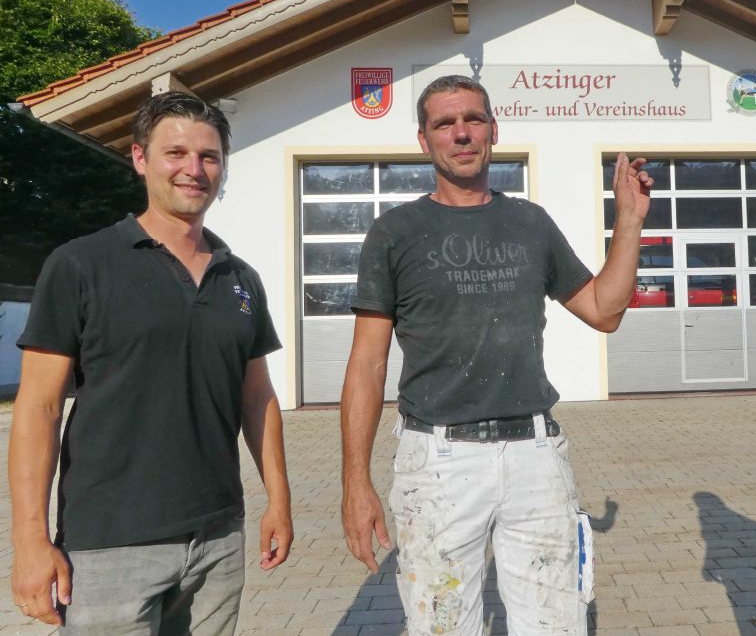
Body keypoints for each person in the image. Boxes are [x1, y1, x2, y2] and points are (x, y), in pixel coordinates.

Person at [340, 74, 652, 634]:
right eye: (445, 123)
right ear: (423, 139)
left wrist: (627, 220)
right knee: (442, 626)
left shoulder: (529, 223)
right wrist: (355, 483)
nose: (461, 133)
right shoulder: (394, 233)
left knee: (555, 625)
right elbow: (366, 364)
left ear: (493, 131)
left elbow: (604, 310)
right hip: (436, 464)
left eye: (473, 119)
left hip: (536, 457)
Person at [9, 92, 293, 633]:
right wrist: (29, 540)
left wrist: (278, 500)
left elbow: (257, 397)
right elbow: (38, 408)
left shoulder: (240, 278)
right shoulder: (80, 266)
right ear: (140, 158)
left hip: (216, 539)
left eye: (209, 156)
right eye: (176, 153)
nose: (194, 169)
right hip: (110, 547)